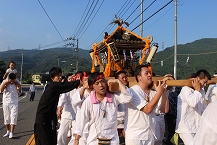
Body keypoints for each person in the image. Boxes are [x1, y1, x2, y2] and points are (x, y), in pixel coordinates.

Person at [74, 72, 132, 145]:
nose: (101, 85)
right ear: (92, 86)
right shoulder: (88, 101)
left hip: (112, 141)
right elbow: (81, 120)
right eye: (97, 83)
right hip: (94, 141)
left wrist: (118, 81)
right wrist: (76, 139)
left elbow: (128, 98)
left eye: (102, 81)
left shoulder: (114, 97)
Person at [34, 67, 80, 145]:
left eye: (60, 75)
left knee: (52, 141)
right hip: (42, 120)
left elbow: (64, 86)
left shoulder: (53, 86)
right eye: (57, 75)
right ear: (52, 78)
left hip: (48, 119)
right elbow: (65, 86)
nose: (60, 77)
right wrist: (79, 81)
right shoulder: (53, 86)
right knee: (45, 142)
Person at [124, 64, 169, 145]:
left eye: (150, 73)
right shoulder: (133, 91)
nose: (150, 75)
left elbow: (164, 109)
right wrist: (159, 92)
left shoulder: (153, 93)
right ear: (139, 77)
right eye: (146, 73)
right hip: (135, 136)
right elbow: (147, 110)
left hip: (149, 135)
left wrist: (164, 92)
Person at [175, 70, 211, 145]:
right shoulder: (185, 89)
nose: (205, 85)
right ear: (198, 79)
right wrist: (197, 90)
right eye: (204, 82)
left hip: (197, 127)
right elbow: (192, 102)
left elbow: (203, 108)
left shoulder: (201, 91)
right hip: (185, 128)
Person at [0, 73, 21, 139]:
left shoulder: (16, 82)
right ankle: (8, 131)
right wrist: (6, 83)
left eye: (13, 79)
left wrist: (17, 84)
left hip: (14, 102)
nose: (12, 81)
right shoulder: (4, 81)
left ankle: (11, 133)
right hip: (6, 102)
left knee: (13, 117)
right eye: (11, 79)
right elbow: (1, 90)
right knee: (6, 118)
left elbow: (20, 91)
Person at [114, 71, 129, 143]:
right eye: (122, 78)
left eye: (126, 77)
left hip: (127, 119)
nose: (125, 79)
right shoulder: (114, 92)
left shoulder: (129, 90)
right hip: (116, 120)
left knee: (128, 139)